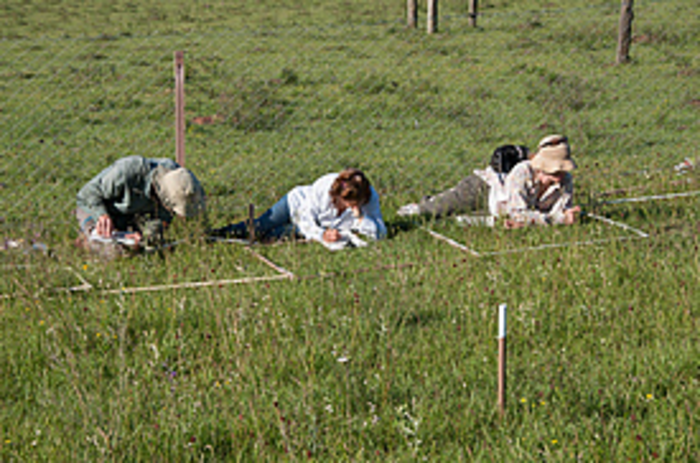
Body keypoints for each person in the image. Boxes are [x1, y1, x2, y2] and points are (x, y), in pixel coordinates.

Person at [211, 168, 387, 246]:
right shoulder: (323, 187)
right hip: (295, 205)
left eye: (354, 203)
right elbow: (305, 217)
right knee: (259, 226)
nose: (349, 206)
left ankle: (240, 240)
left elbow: (379, 233)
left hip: (308, 228)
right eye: (346, 202)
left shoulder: (369, 199)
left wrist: (360, 217)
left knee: (271, 236)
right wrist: (322, 235)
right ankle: (216, 234)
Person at [75, 156, 206, 256]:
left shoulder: (179, 181)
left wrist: (145, 238)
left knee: (146, 250)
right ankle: (85, 241)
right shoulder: (129, 171)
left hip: (132, 217)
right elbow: (87, 194)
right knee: (116, 253)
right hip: (93, 207)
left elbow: (158, 222)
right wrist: (102, 215)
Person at [397, 144, 530, 219]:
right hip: (482, 187)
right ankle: (420, 207)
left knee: (465, 219)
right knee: (442, 206)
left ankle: (432, 203)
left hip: (497, 203)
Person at [502, 135, 580, 228]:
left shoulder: (566, 179)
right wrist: (558, 220)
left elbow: (561, 211)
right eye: (556, 171)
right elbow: (517, 213)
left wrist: (568, 214)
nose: (561, 174)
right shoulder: (521, 173)